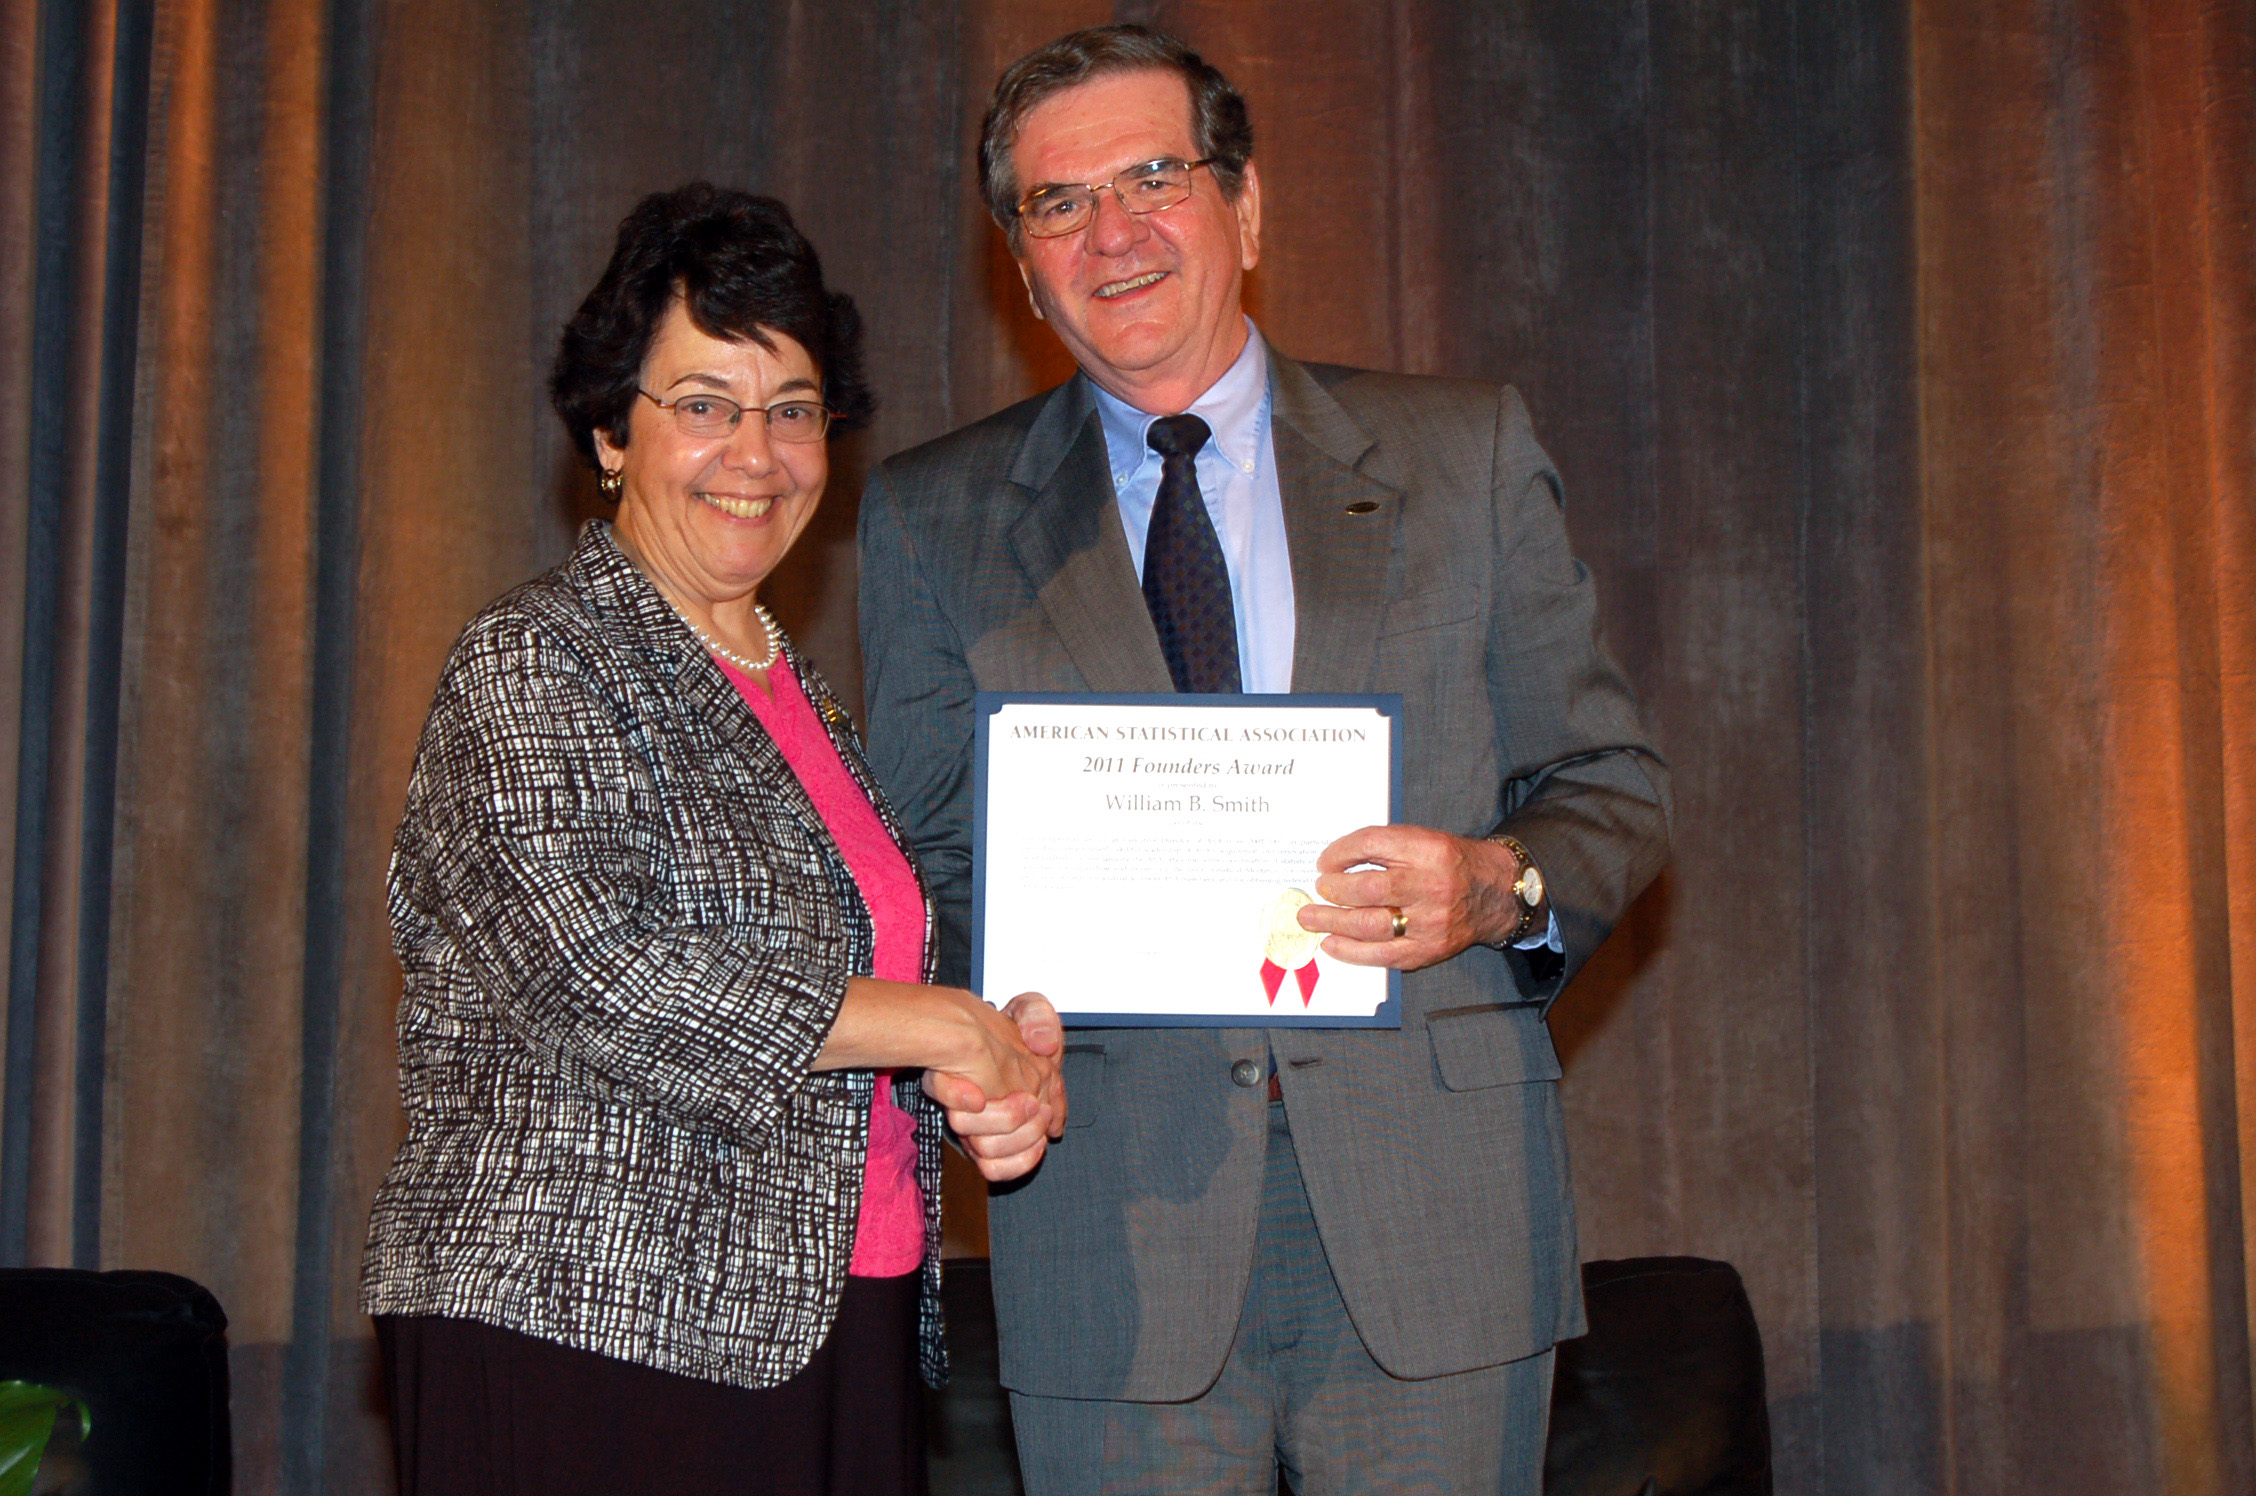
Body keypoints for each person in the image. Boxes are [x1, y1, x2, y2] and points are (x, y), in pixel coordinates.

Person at [858, 26, 1669, 1495]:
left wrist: (1495, 882)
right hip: (1110, 1235)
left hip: (1439, 1225)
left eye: (1155, 176)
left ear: (1244, 207)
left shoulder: (1463, 456)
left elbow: (1612, 783)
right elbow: (919, 871)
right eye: (1059, 202)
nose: (1114, 232)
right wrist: (976, 1042)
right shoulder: (933, 518)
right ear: (1021, 265)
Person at [360, 183, 1063, 1496]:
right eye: (703, 405)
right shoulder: (537, 657)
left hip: (838, 1306)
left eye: (792, 410)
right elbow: (603, 977)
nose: (757, 451)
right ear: (608, 432)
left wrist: (987, 1075)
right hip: (596, 1321)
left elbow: (845, 1001)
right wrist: (938, 1027)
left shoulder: (804, 694)